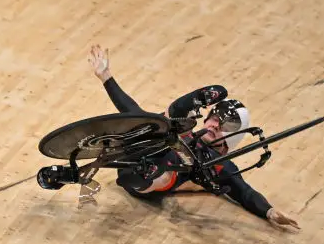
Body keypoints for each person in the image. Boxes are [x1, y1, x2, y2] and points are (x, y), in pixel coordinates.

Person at [37, 44, 300, 232]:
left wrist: (269, 211)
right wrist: (106, 77)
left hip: (152, 182)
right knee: (154, 124)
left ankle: (158, 149)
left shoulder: (221, 165)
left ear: (231, 139)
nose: (212, 124)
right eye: (213, 118)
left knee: (166, 166)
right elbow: (134, 113)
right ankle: (68, 174)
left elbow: (245, 193)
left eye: (220, 127)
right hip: (143, 158)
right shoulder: (190, 133)